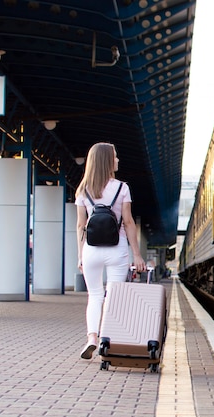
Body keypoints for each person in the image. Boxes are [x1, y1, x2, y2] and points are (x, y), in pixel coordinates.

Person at [75, 142, 146, 359]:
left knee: (94, 296)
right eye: (115, 157)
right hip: (117, 250)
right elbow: (128, 222)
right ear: (107, 160)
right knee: (115, 297)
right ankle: (108, 340)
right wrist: (137, 254)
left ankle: (92, 338)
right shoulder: (122, 188)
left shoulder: (83, 189)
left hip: (91, 250)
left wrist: (80, 255)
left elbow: (80, 225)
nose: (117, 160)